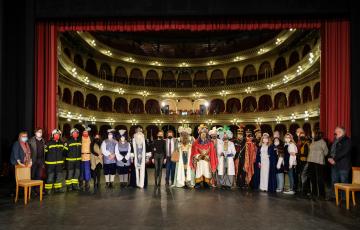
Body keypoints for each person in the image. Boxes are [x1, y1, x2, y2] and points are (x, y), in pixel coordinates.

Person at [190, 124, 218, 189]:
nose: (203, 135)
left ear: (206, 134)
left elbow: (212, 153)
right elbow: (194, 151)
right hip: (199, 160)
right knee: (199, 171)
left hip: (206, 161)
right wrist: (199, 156)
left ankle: (206, 183)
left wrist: (208, 157)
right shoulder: (196, 142)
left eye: (204, 133)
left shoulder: (210, 143)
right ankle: (198, 183)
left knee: (206, 171)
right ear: (200, 134)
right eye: (202, 133)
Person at [328, 126, 352, 198]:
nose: (335, 133)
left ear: (342, 132)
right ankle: (335, 196)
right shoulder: (335, 140)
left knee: (343, 182)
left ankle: (344, 198)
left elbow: (344, 152)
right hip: (334, 165)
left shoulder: (347, 140)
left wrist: (334, 159)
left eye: (337, 132)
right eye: (335, 132)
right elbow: (331, 150)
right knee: (334, 181)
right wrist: (329, 157)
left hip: (343, 165)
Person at [306, 131, 328, 199]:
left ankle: (322, 195)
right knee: (313, 178)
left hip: (319, 162)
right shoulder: (313, 142)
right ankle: (314, 193)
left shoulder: (323, 142)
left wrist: (319, 156)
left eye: (313, 134)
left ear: (317, 135)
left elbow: (326, 152)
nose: (312, 135)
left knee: (320, 179)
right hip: (311, 162)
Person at [44, 129, 65, 194]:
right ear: (53, 135)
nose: (57, 136)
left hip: (59, 164)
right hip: (50, 164)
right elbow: (44, 154)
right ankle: (48, 190)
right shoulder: (48, 143)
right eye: (55, 134)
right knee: (50, 177)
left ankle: (57, 189)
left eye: (58, 135)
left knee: (59, 177)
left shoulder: (62, 143)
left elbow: (63, 153)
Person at [298, 131, 310, 196]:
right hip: (303, 162)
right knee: (303, 176)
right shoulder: (303, 145)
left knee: (303, 176)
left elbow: (305, 154)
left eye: (300, 140)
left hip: (305, 162)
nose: (300, 141)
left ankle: (304, 191)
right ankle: (304, 190)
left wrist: (298, 154)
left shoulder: (305, 145)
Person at [80, 127, 92, 191]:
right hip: (81, 157)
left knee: (87, 171)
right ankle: (81, 183)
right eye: (84, 132)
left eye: (86, 132)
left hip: (88, 157)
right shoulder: (80, 139)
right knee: (81, 171)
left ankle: (87, 183)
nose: (85, 133)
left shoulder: (90, 138)